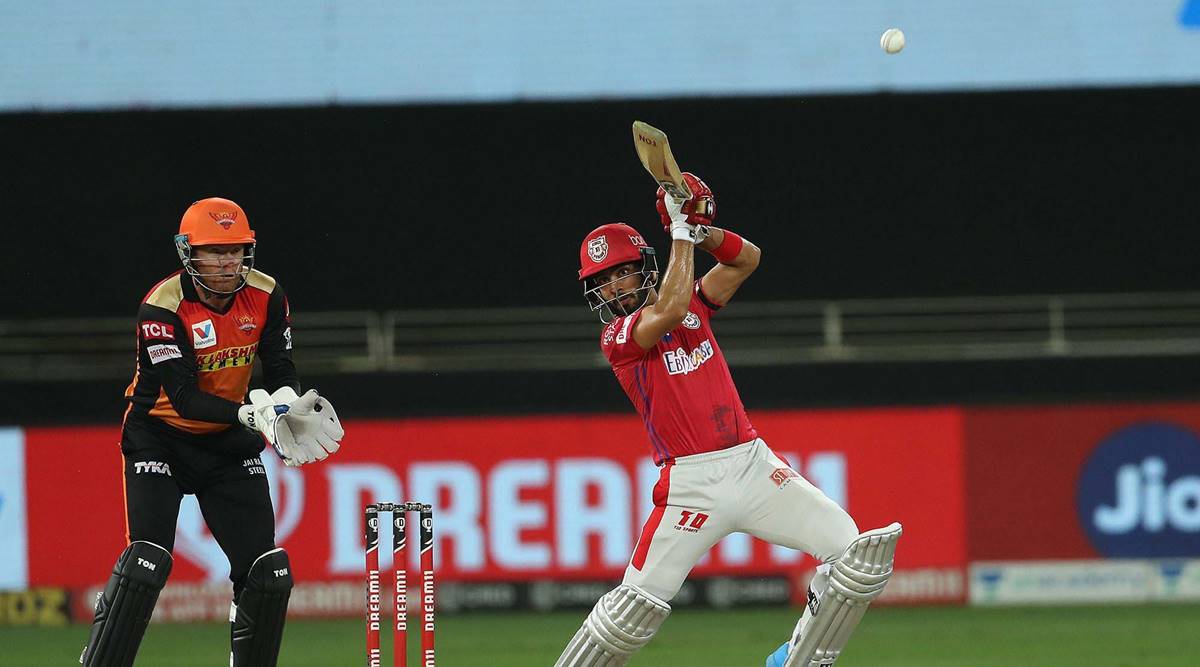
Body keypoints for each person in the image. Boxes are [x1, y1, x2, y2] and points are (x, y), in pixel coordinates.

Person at [556, 174, 902, 667]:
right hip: (690, 486)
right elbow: (672, 308)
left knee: (857, 558)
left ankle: (791, 662)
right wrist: (678, 227)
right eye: (602, 281)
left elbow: (746, 259)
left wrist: (700, 229)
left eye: (620, 273)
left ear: (645, 268)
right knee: (627, 614)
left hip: (754, 466)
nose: (612, 288)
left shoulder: (694, 301)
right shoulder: (620, 337)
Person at [80, 197, 345, 667]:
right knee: (146, 562)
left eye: (236, 250)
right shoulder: (161, 308)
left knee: (268, 572)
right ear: (189, 253)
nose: (227, 262)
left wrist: (285, 405)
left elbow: (282, 369)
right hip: (159, 435)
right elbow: (182, 396)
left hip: (225, 446)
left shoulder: (267, 295)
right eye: (214, 251)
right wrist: (250, 415)